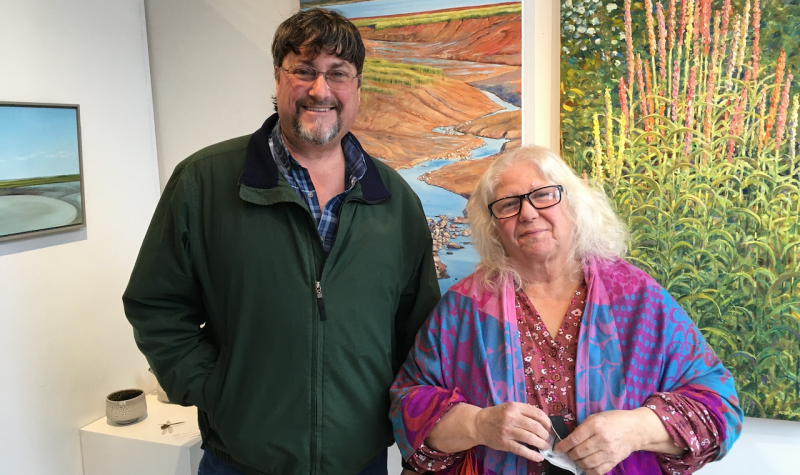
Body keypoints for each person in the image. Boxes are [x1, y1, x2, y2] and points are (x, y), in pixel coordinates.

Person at [123, 8, 440, 475]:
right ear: (277, 77)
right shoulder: (204, 183)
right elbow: (156, 307)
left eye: (338, 74)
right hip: (240, 461)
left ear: (357, 88)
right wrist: (216, 390)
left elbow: (419, 329)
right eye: (304, 70)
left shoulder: (395, 200)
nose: (320, 90)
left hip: (362, 461)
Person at [389, 146, 742, 475]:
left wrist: (637, 429)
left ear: (573, 204)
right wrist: (478, 425)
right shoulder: (465, 308)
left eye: (543, 195)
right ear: (495, 225)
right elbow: (407, 405)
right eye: (508, 204)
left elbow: (720, 405)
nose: (527, 213)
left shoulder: (637, 298)